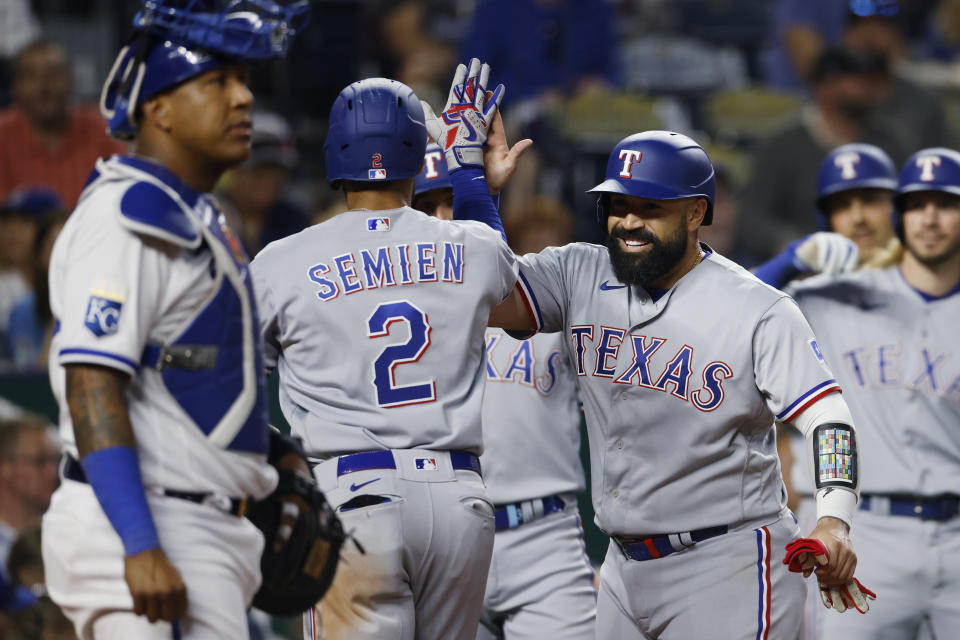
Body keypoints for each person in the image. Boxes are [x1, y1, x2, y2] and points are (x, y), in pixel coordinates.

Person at [454, 129, 874, 638]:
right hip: (622, 568)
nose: (628, 221)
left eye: (650, 207)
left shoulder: (758, 308)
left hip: (726, 563)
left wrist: (834, 518)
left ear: (696, 213)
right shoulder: (576, 272)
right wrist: (475, 188)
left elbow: (828, 420)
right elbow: (487, 295)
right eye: (617, 204)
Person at [40, 2, 311, 638]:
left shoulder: (195, 215)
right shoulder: (125, 216)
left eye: (243, 80)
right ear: (157, 107)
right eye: (217, 82)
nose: (243, 98)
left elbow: (179, 379)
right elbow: (91, 380)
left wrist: (274, 456)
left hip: (198, 528)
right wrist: (138, 543)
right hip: (141, 526)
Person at [250, 61, 518, 640]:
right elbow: (509, 285)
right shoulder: (471, 246)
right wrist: (469, 172)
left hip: (355, 494)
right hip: (457, 502)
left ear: (334, 155)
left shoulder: (281, 261)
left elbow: (234, 379)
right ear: (417, 153)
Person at [413, 149, 597, 639]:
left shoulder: (542, 299)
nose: (440, 218)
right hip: (444, 539)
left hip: (545, 539)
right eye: (425, 207)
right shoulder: (391, 311)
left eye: (450, 201)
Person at [787, 147, 960, 640]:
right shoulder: (829, 297)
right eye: (917, 205)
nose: (929, 219)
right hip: (863, 528)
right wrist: (788, 261)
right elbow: (725, 325)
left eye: (945, 204)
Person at [740, 47, 911, 261]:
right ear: (824, 87)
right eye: (858, 79)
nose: (869, 88)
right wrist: (794, 246)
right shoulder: (782, 145)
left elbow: (909, 203)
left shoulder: (887, 141)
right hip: (808, 268)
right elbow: (753, 216)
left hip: (880, 262)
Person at [0, 40, 126, 207]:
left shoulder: (100, 130)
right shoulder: (3, 134)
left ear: (70, 80)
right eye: (31, 77)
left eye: (53, 75)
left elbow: (121, 198)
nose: (43, 87)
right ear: (15, 86)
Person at [0, 419, 58, 565]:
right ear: (4, 467)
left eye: (54, 461)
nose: (53, 472)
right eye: (40, 461)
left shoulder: (64, 539)